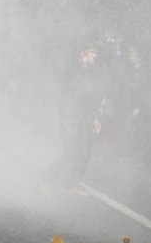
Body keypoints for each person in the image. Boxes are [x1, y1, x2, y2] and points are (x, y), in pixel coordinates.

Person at [44, 44, 109, 195]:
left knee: (78, 153)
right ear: (83, 54)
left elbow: (90, 97)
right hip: (73, 117)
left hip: (81, 117)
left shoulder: (89, 71)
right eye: (91, 53)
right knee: (76, 152)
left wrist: (95, 117)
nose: (94, 56)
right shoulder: (76, 70)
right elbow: (77, 97)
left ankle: (65, 182)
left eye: (95, 54)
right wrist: (91, 117)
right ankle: (54, 179)